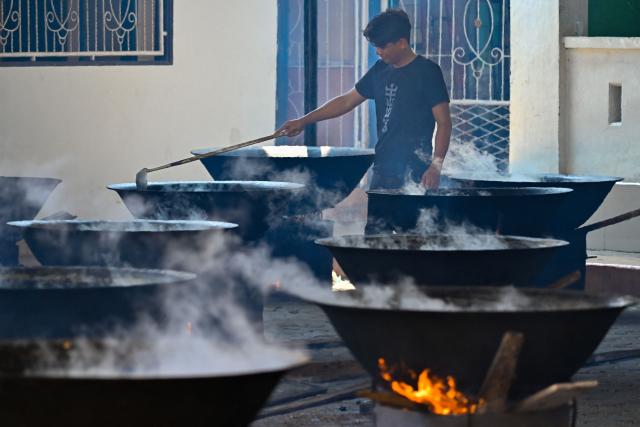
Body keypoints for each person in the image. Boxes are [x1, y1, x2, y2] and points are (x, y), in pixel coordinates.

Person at [277, 8, 451, 190]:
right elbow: (346, 101)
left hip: (416, 172)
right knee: (377, 219)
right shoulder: (380, 70)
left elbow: (444, 123)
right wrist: (304, 120)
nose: (378, 51)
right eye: (376, 46)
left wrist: (435, 166)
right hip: (383, 169)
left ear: (401, 43)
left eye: (382, 46)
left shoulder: (428, 72)